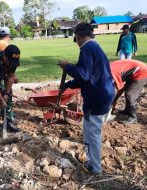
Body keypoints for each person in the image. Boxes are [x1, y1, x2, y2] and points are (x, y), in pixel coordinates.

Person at [59, 23, 115, 175]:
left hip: (97, 97)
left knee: (92, 132)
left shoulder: (87, 49)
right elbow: (87, 77)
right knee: (92, 130)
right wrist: (69, 84)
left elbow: (83, 74)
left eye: (76, 39)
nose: (77, 43)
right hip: (104, 93)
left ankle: (95, 167)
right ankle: (93, 162)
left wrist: (67, 67)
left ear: (78, 36)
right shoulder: (95, 48)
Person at [110, 59, 147, 125]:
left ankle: (133, 117)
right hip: (132, 71)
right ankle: (127, 111)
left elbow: (120, 88)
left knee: (130, 94)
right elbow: (122, 87)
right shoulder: (106, 70)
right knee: (128, 91)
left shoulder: (111, 73)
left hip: (141, 71)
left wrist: (114, 100)